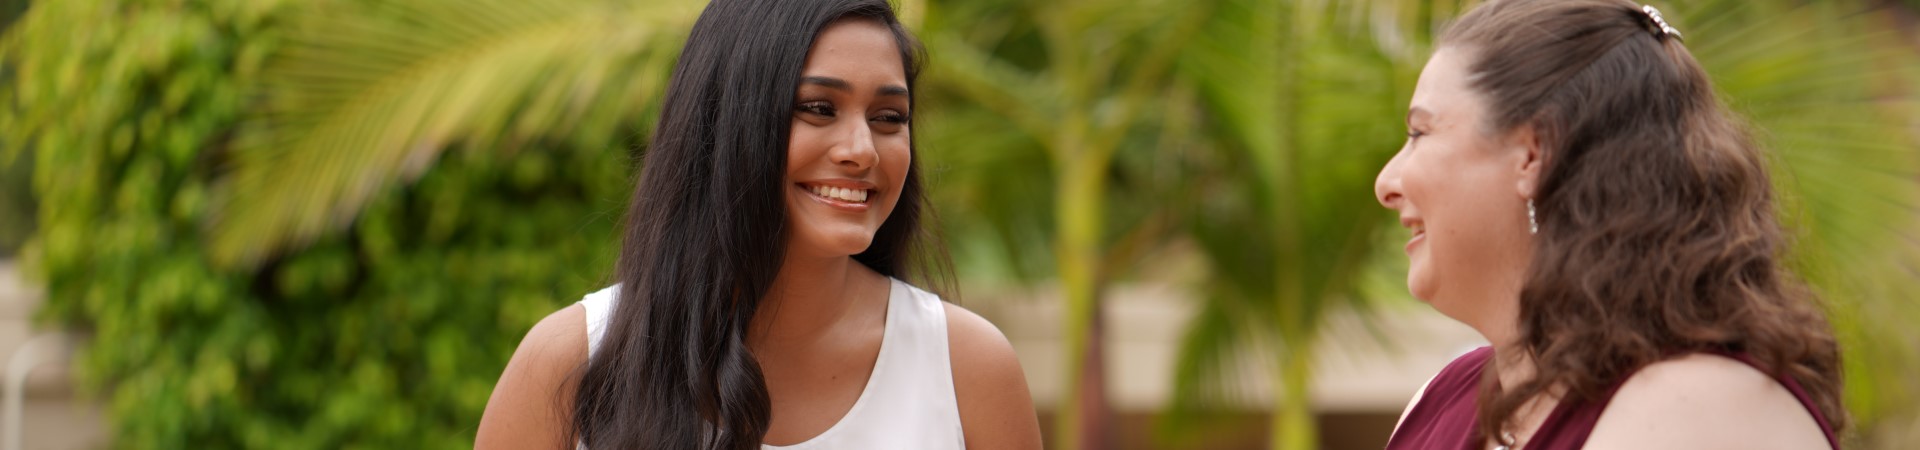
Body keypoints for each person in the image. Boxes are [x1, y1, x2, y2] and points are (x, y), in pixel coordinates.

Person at [474, 0, 1042, 448]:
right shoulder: (573, 360)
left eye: (888, 117)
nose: (862, 149)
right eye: (818, 107)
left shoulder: (967, 368)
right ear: (726, 123)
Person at [1373, 0, 1843, 448]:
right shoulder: (1440, 402)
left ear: (1535, 154)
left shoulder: (1696, 405)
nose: (1386, 183)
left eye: (1420, 133)